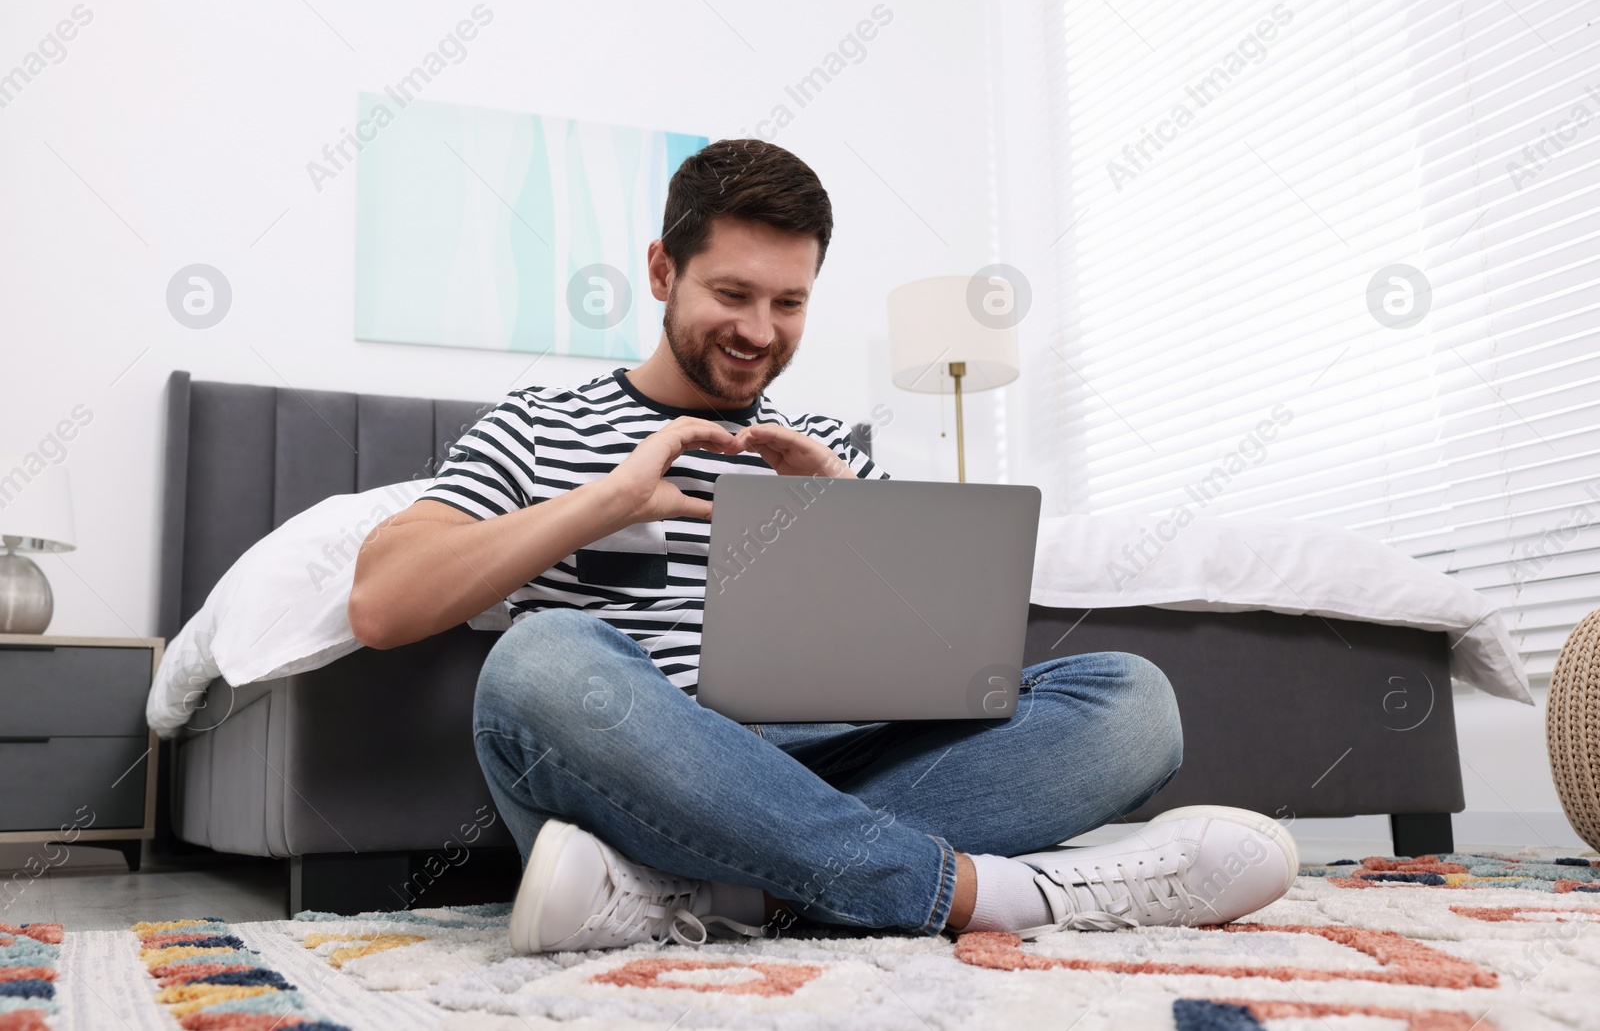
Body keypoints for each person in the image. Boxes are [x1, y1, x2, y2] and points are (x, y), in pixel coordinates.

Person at [348, 138, 1297, 954]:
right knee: (537, 660)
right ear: (660, 271)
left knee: (1133, 700)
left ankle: (708, 896)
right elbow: (384, 601)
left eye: (789, 303)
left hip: (825, 757)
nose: (758, 332)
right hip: (642, 763)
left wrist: (840, 506)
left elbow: (959, 666)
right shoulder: (539, 425)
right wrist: (606, 502)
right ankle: (1001, 895)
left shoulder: (826, 448)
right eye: (732, 293)